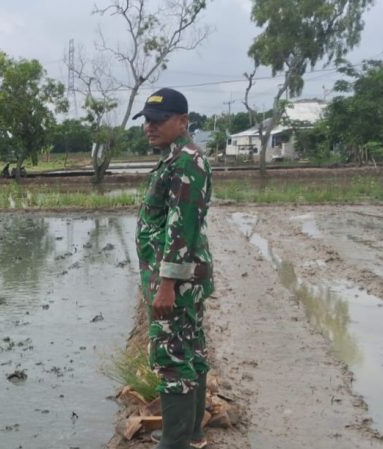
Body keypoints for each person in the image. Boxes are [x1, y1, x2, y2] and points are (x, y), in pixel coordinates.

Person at [132, 88, 214, 449]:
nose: (150, 127)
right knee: (191, 351)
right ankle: (188, 432)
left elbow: (181, 228)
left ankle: (174, 442)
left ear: (183, 121)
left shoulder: (184, 163)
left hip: (175, 283)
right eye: (147, 120)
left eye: (159, 120)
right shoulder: (178, 158)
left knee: (171, 358)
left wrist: (165, 286)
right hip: (184, 279)